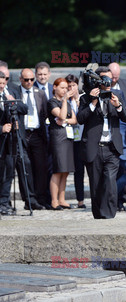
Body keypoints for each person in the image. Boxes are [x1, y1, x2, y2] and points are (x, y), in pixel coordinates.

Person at [77, 70, 126, 219]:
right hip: (94, 147)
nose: (107, 85)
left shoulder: (117, 96)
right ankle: (98, 215)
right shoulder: (86, 98)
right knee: (96, 185)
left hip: (112, 148)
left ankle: (109, 214)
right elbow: (80, 118)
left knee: (110, 182)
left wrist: (118, 106)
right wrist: (93, 102)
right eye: (104, 82)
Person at [0, 71, 44, 214]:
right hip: (3, 140)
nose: (2, 85)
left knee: (25, 166)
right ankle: (4, 202)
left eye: (4, 82)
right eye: (0, 82)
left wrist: (12, 102)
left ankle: (29, 199)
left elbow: (24, 109)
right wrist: (1, 128)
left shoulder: (12, 91)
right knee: (7, 172)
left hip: (15, 138)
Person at [15, 68, 50, 209]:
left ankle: (40, 197)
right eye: (26, 80)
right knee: (25, 166)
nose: (29, 82)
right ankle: (29, 199)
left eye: (31, 80)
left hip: (36, 134)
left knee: (41, 167)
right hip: (22, 134)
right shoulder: (15, 92)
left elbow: (45, 113)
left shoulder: (40, 93)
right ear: (20, 79)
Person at [47, 78, 77, 210]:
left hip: (68, 137)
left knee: (65, 171)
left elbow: (74, 119)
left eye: (66, 88)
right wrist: (64, 101)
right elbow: (62, 116)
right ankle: (54, 200)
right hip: (58, 137)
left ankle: (62, 198)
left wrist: (66, 120)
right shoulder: (52, 102)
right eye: (62, 87)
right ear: (55, 87)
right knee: (58, 169)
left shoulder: (68, 102)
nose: (65, 90)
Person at [65, 74, 86, 209]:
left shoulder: (84, 98)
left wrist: (79, 103)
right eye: (69, 86)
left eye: (73, 85)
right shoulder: (65, 100)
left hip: (85, 136)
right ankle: (80, 200)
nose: (71, 88)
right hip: (72, 137)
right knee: (78, 170)